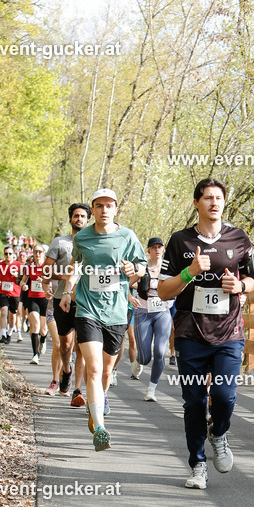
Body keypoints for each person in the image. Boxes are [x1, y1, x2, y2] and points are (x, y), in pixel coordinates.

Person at [158, 177, 254, 489]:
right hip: (190, 334)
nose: (214, 203)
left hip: (229, 332)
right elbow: (162, 291)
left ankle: (218, 432)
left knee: (225, 397)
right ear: (196, 203)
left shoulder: (239, 239)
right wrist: (190, 272)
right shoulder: (180, 242)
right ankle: (197, 464)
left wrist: (240, 286)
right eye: (208, 198)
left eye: (219, 198)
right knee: (193, 402)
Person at [59, 188, 146, 451]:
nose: (104, 210)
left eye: (109, 206)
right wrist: (67, 290)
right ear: (93, 210)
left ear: (116, 209)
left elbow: (142, 265)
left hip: (117, 311)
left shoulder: (127, 236)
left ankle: (97, 404)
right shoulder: (83, 237)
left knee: (107, 371)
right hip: (87, 309)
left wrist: (135, 269)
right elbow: (76, 265)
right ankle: (100, 427)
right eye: (99, 206)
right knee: (94, 368)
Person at [43, 203, 91, 402]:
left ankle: (77, 390)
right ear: (70, 219)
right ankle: (67, 371)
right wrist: (65, 276)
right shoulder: (59, 243)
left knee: (81, 346)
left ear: (88, 220)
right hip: (61, 300)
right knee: (65, 345)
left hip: (86, 301)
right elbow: (45, 272)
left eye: (82, 216)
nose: (79, 219)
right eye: (75, 216)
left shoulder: (93, 243)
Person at [131, 237, 174, 401]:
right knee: (145, 357)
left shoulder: (169, 267)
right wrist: (129, 298)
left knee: (160, 351)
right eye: (153, 247)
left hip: (163, 312)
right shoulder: (142, 267)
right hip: (143, 311)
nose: (157, 250)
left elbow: (181, 284)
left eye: (160, 247)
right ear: (148, 250)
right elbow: (124, 284)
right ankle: (138, 361)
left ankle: (151, 390)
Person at [22, 244, 49, 364]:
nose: (37, 254)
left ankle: (43, 340)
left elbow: (54, 282)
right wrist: (24, 285)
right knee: (35, 325)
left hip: (45, 299)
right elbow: (23, 280)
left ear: (44, 253)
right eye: (35, 252)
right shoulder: (29, 267)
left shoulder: (47, 267)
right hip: (32, 298)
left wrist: (43, 281)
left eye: (39, 252)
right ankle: (35, 355)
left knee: (43, 330)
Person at [0, 244, 22, 343]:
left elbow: (23, 277)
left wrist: (17, 276)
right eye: (6, 254)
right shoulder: (0, 265)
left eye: (10, 254)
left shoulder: (18, 265)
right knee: (3, 311)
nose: (8, 255)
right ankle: (3, 335)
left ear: (13, 254)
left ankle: (10, 333)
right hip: (3, 291)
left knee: (12, 315)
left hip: (15, 293)